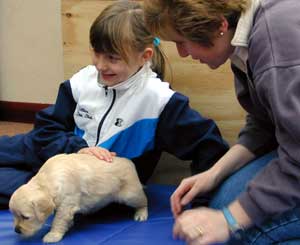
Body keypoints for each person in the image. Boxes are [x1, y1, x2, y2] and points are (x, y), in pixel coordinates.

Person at [0, 1, 228, 208]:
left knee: (13, 187)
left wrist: (200, 203)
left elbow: (210, 146)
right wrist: (76, 148)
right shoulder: (84, 80)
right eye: (96, 53)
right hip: (52, 150)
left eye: (112, 58)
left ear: (144, 56)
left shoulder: (160, 103)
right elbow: (46, 130)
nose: (99, 65)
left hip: (77, 185)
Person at [143, 0, 300, 244]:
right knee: (223, 200)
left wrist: (230, 220)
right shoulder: (243, 44)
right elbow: (263, 125)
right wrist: (214, 174)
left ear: (219, 26)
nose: (182, 53)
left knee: (243, 232)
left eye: (181, 42)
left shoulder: (276, 47)